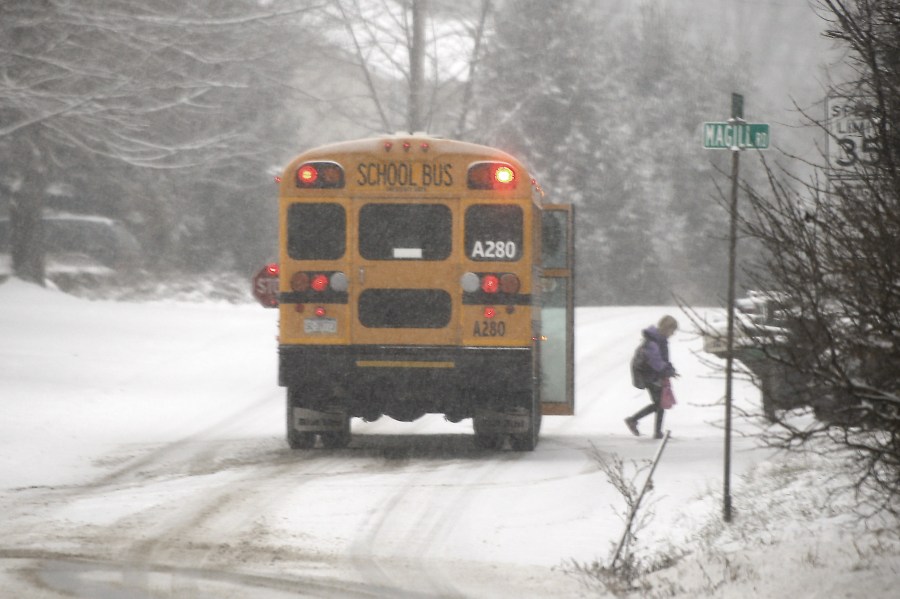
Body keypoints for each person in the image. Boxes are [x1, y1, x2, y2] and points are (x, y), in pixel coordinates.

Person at [625, 315, 678, 439]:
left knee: (659, 403)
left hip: (653, 376)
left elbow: (662, 359)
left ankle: (656, 431)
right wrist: (667, 370)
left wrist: (669, 369)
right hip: (650, 377)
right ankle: (634, 420)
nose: (673, 334)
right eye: (672, 330)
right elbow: (656, 362)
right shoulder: (653, 342)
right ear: (666, 328)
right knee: (659, 404)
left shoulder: (657, 340)